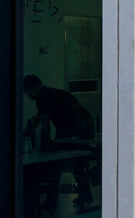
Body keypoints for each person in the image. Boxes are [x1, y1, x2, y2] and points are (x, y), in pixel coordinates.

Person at [23, 75, 94, 208]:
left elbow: (45, 125)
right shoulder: (51, 93)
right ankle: (85, 195)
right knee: (78, 164)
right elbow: (38, 118)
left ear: (31, 88)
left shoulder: (42, 98)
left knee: (55, 163)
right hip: (84, 126)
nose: (27, 96)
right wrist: (26, 132)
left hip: (71, 128)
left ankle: (52, 200)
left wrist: (44, 147)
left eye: (26, 92)